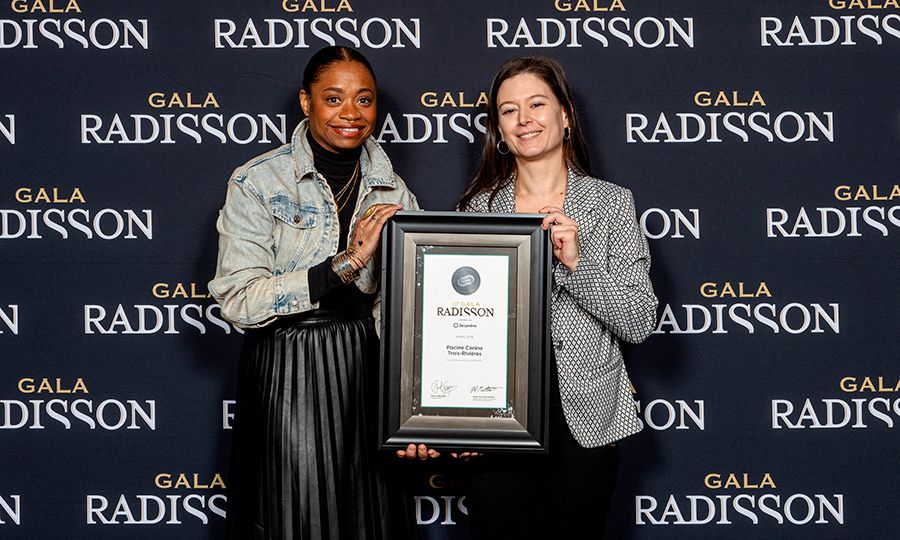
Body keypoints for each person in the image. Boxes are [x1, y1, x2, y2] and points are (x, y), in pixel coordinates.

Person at [208, 46, 418, 540]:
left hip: (365, 366)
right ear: (306, 102)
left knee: (371, 517)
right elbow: (239, 299)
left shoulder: (395, 191)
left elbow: (401, 308)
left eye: (364, 100)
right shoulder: (257, 180)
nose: (351, 113)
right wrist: (348, 262)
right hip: (285, 367)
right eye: (334, 98)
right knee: (291, 515)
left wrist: (414, 401)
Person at [456, 56, 658, 538]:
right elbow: (455, 322)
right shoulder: (476, 210)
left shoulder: (611, 204)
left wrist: (577, 265)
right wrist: (453, 416)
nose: (524, 119)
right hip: (496, 421)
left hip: (585, 420)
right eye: (509, 111)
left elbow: (639, 320)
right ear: (498, 130)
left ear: (565, 116)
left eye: (537, 104)